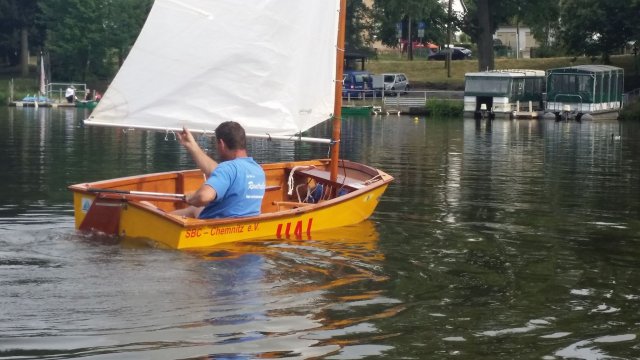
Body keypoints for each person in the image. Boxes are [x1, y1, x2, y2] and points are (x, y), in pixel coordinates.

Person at [172, 121, 266, 219]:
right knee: (194, 210)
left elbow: (203, 197)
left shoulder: (227, 169)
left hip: (217, 229)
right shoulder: (258, 170)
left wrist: (191, 198)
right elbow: (221, 173)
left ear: (221, 144)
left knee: (190, 209)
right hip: (246, 226)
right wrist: (192, 146)